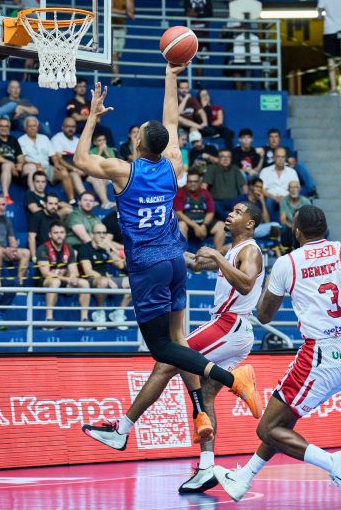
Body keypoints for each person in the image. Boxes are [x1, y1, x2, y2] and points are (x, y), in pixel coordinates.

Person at [73, 69, 263, 446]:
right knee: (178, 342)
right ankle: (199, 411)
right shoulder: (173, 164)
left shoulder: (121, 171)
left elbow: (80, 159)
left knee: (161, 349)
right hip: (176, 261)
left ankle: (233, 380)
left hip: (148, 267)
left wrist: (92, 116)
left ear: (138, 141)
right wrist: (170, 73)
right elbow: (172, 120)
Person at [213, 205, 341, 508]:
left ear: (296, 232)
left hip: (319, 354)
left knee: (267, 428)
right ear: (325, 229)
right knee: (283, 421)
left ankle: (335, 465)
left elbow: (264, 315)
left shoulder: (288, 263)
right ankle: (244, 476)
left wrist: (269, 283)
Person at [85, 202, 266, 492]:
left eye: (238, 212)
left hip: (229, 324)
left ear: (250, 224)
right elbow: (194, 264)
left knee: (166, 361)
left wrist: (217, 257)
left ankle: (122, 430)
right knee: (205, 395)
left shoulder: (251, 250)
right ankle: (207, 467)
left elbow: (246, 284)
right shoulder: (233, 251)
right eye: (231, 210)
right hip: (233, 330)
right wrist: (161, 243)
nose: (230, 214)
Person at [35, 222, 91, 327]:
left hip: (64, 280)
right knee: (55, 282)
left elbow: (74, 270)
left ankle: (84, 319)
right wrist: (67, 279)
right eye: (56, 233)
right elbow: (45, 273)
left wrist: (73, 277)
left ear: (65, 234)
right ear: (50, 235)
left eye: (61, 232)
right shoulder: (43, 248)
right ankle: (49, 319)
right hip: (44, 281)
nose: (59, 235)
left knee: (84, 283)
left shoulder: (69, 249)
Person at [52, 117, 115, 208]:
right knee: (74, 175)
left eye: (73, 126)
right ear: (63, 127)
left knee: (96, 177)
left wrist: (84, 169)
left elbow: (84, 158)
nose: (71, 129)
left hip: (80, 168)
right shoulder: (57, 138)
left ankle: (105, 202)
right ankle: (85, 200)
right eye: (68, 126)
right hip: (69, 170)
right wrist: (74, 169)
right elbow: (59, 159)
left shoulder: (78, 140)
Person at [78, 222, 131, 328]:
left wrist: (109, 250)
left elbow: (120, 265)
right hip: (91, 280)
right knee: (103, 282)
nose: (102, 235)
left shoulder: (105, 248)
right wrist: (108, 280)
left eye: (104, 233)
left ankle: (118, 312)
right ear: (92, 234)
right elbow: (88, 271)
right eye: (99, 233)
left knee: (135, 281)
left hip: (107, 278)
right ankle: (99, 312)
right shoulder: (84, 248)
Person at [19, 116, 76, 205]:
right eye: (30, 126)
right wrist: (35, 164)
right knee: (39, 171)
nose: (32, 128)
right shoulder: (21, 140)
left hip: (47, 166)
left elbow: (53, 155)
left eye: (34, 126)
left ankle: (72, 200)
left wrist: (57, 164)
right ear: (25, 128)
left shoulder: (44, 138)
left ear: (38, 127)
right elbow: (22, 160)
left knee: (64, 173)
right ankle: (38, 199)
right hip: (32, 166)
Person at [0, 117, 36, 204]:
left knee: (31, 167)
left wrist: (20, 164)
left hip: (14, 168)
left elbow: (20, 157)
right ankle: (5, 196)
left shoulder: (13, 140)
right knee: (7, 165)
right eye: (1, 126)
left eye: (6, 126)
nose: (4, 128)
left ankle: (33, 194)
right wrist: (10, 163)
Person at [174, 169, 227, 250]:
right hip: (188, 224)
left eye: (195, 181)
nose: (192, 184)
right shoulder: (180, 192)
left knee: (221, 226)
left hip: (203, 223)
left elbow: (210, 212)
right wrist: (195, 226)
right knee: (181, 225)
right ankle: (182, 254)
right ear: (186, 182)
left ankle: (217, 254)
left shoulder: (205, 193)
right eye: (190, 181)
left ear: (200, 182)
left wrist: (204, 225)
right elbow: (178, 213)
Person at [0, 195, 30, 286]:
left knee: (26, 253)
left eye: (3, 205)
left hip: (4, 250)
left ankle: (19, 283)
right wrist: (5, 251)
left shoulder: (6, 219)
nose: (1, 207)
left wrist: (13, 249)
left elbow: (12, 238)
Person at [318, 0, 341, 95]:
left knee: (330, 59)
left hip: (329, 31)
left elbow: (319, 16)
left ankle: (334, 88)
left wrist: (323, 16)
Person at [65, 78, 114, 144]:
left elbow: (98, 119)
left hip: (92, 125)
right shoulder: (71, 103)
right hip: (79, 127)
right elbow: (76, 117)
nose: (82, 88)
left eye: (84, 86)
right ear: (75, 88)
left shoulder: (90, 103)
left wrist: (86, 117)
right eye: (80, 86)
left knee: (107, 130)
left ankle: (112, 149)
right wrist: (92, 117)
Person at [202, 149, 246, 220]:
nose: (225, 159)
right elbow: (204, 186)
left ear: (231, 159)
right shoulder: (212, 168)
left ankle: (228, 218)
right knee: (213, 206)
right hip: (217, 201)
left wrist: (245, 199)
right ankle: (230, 218)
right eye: (222, 156)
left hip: (233, 201)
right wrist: (206, 199)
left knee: (242, 206)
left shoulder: (235, 168)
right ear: (218, 158)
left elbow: (244, 185)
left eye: (228, 157)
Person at [259, 146, 300, 221]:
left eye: (283, 157)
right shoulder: (265, 171)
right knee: (269, 201)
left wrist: (283, 198)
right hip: (270, 197)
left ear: (285, 158)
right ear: (274, 158)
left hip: (287, 198)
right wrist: (274, 197)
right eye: (278, 157)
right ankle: (272, 224)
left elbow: (296, 188)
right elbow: (261, 189)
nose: (281, 159)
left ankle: (288, 224)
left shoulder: (292, 172)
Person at [238, 176, 281, 241]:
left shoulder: (260, 202)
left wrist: (263, 202)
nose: (259, 189)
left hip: (257, 228)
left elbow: (267, 221)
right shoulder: (242, 199)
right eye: (257, 186)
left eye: (260, 187)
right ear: (251, 187)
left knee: (275, 226)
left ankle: (277, 246)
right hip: (244, 228)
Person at [28, 193, 62, 261]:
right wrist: (34, 256)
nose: (53, 206)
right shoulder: (37, 216)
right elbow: (31, 237)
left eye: (55, 204)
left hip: (54, 250)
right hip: (41, 250)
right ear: (44, 204)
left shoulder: (57, 217)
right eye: (50, 204)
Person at [111, 0, 135, 86]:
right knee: (113, 54)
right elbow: (110, 10)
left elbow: (131, 14)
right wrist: (124, 12)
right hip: (111, 26)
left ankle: (114, 78)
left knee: (117, 55)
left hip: (121, 28)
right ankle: (116, 78)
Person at [279, 180, 310, 249]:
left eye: (295, 187)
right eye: (291, 187)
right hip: (290, 226)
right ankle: (287, 248)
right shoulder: (284, 201)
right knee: (283, 228)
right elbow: (283, 220)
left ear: (299, 189)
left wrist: (300, 229)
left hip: (303, 226)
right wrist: (293, 227)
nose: (293, 189)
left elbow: (309, 219)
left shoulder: (306, 201)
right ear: (288, 190)